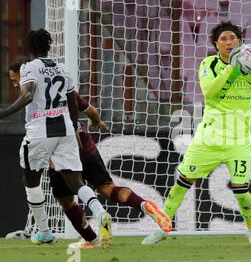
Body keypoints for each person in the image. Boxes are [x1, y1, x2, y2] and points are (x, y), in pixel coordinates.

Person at [142, 21, 251, 244]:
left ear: (240, 41)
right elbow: (209, 91)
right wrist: (231, 67)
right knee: (183, 182)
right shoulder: (209, 64)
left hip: (239, 140)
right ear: (216, 44)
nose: (229, 43)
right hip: (208, 139)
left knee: (241, 190)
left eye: (233, 38)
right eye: (224, 39)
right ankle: (163, 227)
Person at [8, 58, 172, 248]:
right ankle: (145, 206)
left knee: (67, 201)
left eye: (15, 79)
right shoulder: (63, 88)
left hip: (62, 146)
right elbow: (91, 110)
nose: (14, 84)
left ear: (26, 73)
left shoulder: (35, 97)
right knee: (108, 188)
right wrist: (97, 121)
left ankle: (91, 239)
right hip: (85, 144)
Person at [0, 29, 112, 247]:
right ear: (49, 46)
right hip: (65, 129)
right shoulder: (62, 68)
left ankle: (44, 232)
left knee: (31, 180)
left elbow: (29, 94)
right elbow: (72, 102)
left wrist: (4, 112)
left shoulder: (29, 67)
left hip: (40, 128)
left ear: (30, 48)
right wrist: (74, 129)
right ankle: (100, 213)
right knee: (76, 182)